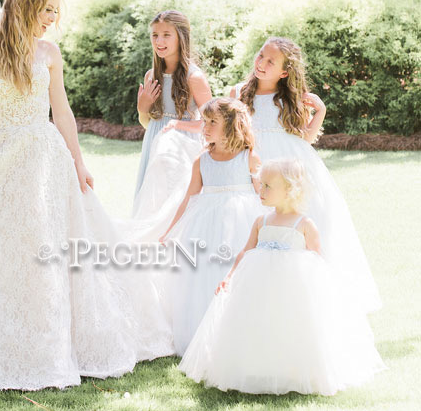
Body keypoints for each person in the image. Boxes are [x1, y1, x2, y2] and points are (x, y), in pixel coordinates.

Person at [0, 0, 174, 391]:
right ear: (26, 5)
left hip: (45, 160)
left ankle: (49, 345)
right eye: (47, 9)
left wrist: (79, 161)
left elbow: (63, 112)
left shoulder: (49, 53)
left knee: (46, 246)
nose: (52, 18)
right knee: (2, 248)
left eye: (55, 10)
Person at [179, 159, 386, 395]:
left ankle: (294, 370)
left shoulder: (304, 224)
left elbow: (318, 260)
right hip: (259, 286)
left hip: (293, 290)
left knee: (291, 325)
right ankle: (258, 366)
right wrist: (229, 277)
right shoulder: (261, 221)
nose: (261, 190)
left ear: (289, 190)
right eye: (261, 184)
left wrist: (325, 289)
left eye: (268, 186)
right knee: (260, 323)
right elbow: (245, 252)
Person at [231, 36, 381, 313]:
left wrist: (319, 111)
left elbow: (304, 139)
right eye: (261, 56)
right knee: (252, 220)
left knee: (299, 221)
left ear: (284, 72)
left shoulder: (289, 98)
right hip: (251, 163)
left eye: (270, 61)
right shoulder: (239, 93)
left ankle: (302, 292)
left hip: (290, 164)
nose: (261, 63)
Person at [158, 97, 267, 354]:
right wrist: (169, 231)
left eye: (212, 122)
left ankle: (237, 331)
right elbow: (189, 198)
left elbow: (262, 194)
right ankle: (202, 335)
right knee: (203, 276)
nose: (205, 127)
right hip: (205, 224)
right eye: (204, 122)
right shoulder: (202, 160)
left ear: (231, 124)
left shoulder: (248, 157)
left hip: (241, 222)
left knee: (236, 273)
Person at [132, 10, 211, 221]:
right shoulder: (152, 75)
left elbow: (211, 125)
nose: (159, 41)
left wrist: (179, 125)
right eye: (155, 35)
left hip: (181, 145)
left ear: (181, 37)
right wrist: (142, 108)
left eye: (166, 35)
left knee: (173, 202)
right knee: (151, 200)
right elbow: (147, 124)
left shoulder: (194, 77)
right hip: (154, 140)